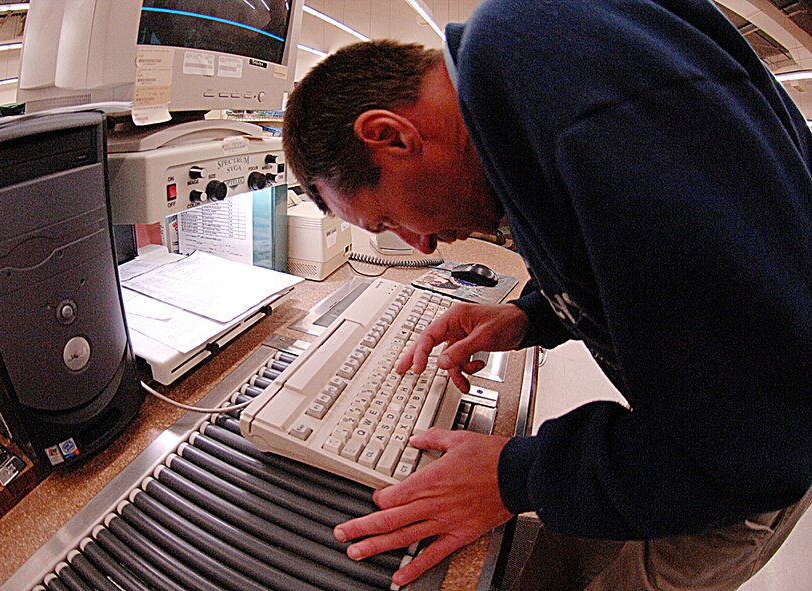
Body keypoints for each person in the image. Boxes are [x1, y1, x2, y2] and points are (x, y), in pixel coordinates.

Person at [282, 0, 812, 588]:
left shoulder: (580, 106)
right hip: (718, 436)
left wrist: (514, 477)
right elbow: (641, 254)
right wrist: (531, 314)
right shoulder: (529, 79)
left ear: (390, 136)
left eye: (387, 221)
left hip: (740, 477)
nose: (423, 244)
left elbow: (750, 440)